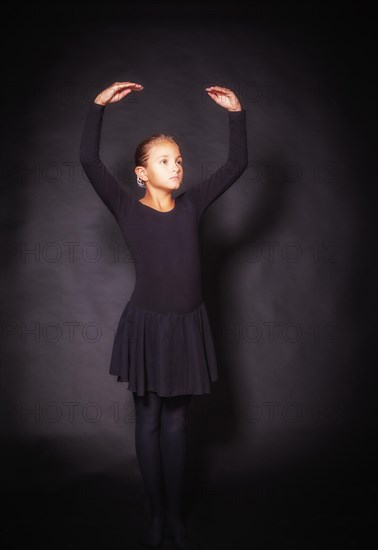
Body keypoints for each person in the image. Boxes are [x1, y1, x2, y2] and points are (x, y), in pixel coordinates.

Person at [79, 81, 248, 549]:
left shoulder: (192, 206)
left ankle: (174, 515)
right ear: (141, 172)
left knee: (177, 422)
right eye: (164, 160)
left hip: (186, 326)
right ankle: (156, 514)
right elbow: (89, 163)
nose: (176, 167)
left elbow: (236, 165)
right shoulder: (126, 211)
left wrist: (236, 114)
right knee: (148, 419)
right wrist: (98, 106)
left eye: (178, 160)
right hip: (147, 327)